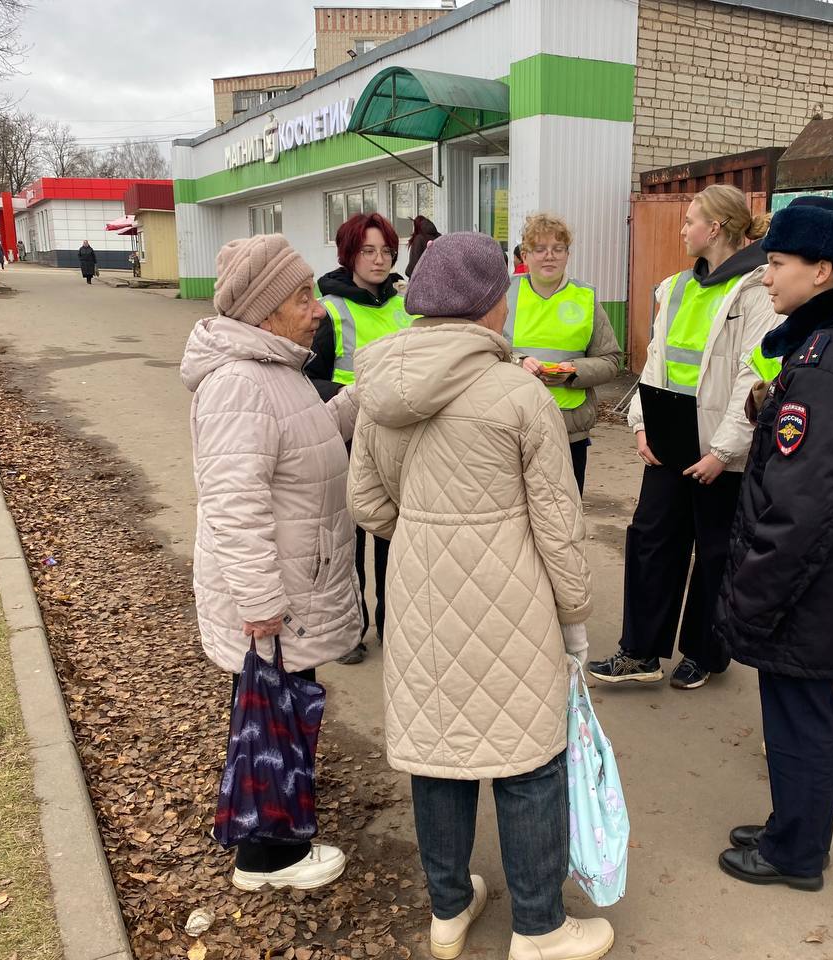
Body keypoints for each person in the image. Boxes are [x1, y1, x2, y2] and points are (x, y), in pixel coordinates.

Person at [348, 232, 614, 960]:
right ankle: (539, 927)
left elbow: (366, 503)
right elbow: (558, 526)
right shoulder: (520, 394)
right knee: (527, 757)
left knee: (439, 751)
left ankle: (449, 909)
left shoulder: (376, 387)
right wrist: (575, 620)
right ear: (493, 304)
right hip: (513, 595)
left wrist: (429, 535)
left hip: (418, 590)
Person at [713, 197, 833, 892]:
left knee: (799, 722)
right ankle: (794, 827)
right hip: (829, 580)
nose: (766, 278)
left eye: (778, 264)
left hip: (807, 588)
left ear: (822, 272)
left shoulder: (821, 362)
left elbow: (800, 510)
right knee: (801, 716)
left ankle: (795, 854)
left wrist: (752, 597)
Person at [180, 233, 362, 893]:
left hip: (292, 589)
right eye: (302, 296)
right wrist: (260, 607)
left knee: (278, 713)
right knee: (268, 716)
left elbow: (307, 439)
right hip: (275, 600)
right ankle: (268, 859)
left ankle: (276, 830)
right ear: (262, 310)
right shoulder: (239, 383)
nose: (317, 309)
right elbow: (235, 505)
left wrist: (357, 395)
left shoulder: (274, 370)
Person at [588, 186, 778, 691]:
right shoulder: (675, 287)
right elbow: (655, 363)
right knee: (652, 542)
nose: (683, 228)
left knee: (716, 554)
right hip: (669, 443)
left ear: (715, 228)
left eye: (689, 220)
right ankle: (641, 652)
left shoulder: (758, 293)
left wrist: (724, 451)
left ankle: (705, 652)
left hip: (721, 452)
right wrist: (640, 424)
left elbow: (754, 376)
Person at [316, 211, 412, 665]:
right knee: (348, 541)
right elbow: (308, 382)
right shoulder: (329, 309)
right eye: (368, 251)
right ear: (348, 254)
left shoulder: (404, 305)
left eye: (386, 251)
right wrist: (357, 397)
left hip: (398, 442)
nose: (379, 260)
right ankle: (350, 630)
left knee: (394, 540)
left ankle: (395, 626)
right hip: (349, 441)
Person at [506, 213, 623, 494]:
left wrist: (575, 371)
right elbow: (485, 350)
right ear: (525, 254)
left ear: (567, 254)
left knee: (564, 517)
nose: (549, 257)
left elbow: (612, 359)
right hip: (514, 425)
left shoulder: (585, 297)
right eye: (540, 249)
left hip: (569, 429)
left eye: (558, 249)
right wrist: (517, 361)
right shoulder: (505, 294)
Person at [404, 215, 441, 279]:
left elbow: (414, 265)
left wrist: (408, 272)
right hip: (438, 279)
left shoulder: (419, 239)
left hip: (421, 281)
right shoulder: (439, 237)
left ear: (417, 226)